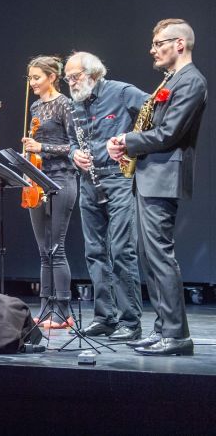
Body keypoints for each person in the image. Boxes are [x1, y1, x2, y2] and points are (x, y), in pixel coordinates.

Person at [107, 18, 206, 356]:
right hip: (151, 174)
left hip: (164, 176)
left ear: (180, 44)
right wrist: (129, 144)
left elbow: (169, 134)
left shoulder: (191, 81)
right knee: (150, 256)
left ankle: (177, 335)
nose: (153, 49)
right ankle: (163, 327)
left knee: (160, 256)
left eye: (160, 43)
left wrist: (127, 139)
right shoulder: (172, 79)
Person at [65, 52, 148, 341]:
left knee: (122, 250)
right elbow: (73, 138)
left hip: (119, 179)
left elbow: (155, 111)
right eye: (68, 79)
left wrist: (133, 144)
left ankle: (130, 322)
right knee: (95, 252)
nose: (71, 83)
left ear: (93, 73)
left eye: (75, 77)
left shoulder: (121, 92)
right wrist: (74, 151)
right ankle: (105, 317)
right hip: (89, 182)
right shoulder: (76, 104)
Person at [22, 56, 77, 329]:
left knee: (57, 248)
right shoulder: (34, 106)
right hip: (37, 180)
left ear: (52, 77)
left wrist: (40, 148)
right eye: (30, 78)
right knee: (43, 251)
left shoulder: (65, 105)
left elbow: (75, 147)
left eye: (37, 77)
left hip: (61, 179)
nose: (32, 83)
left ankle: (63, 311)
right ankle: (44, 308)